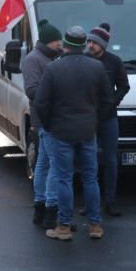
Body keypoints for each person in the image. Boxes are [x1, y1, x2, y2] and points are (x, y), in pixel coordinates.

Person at [34, 26, 113, 241]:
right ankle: (95, 225)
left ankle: (64, 227)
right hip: (88, 130)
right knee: (90, 178)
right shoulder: (96, 67)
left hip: (61, 131)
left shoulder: (53, 69)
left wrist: (50, 124)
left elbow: (40, 103)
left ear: (66, 45)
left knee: (64, 179)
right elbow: (109, 99)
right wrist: (95, 119)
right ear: (83, 44)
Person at [22, 19, 63, 228]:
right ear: (46, 41)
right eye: (56, 40)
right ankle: (50, 209)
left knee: (44, 163)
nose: (60, 43)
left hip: (47, 118)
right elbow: (31, 90)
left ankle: (40, 206)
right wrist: (56, 98)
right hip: (45, 120)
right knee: (54, 164)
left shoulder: (50, 57)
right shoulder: (34, 60)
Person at [86, 22, 129, 217]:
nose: (90, 45)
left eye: (94, 42)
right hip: (88, 117)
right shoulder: (84, 60)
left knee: (111, 160)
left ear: (103, 45)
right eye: (88, 42)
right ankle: (90, 203)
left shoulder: (114, 61)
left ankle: (110, 201)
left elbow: (124, 85)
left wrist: (113, 102)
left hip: (109, 118)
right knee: (89, 160)